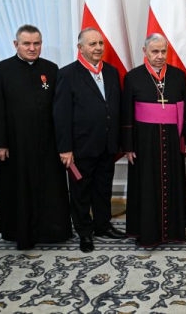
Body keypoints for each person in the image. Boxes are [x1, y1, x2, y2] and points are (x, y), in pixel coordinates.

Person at [0, 25, 72, 250]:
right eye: (27, 44)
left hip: (48, 144)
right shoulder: (0, 71)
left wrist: (64, 143)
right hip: (15, 145)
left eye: (37, 43)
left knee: (50, 187)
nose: (32, 48)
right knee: (19, 188)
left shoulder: (52, 69)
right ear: (16, 45)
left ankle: (52, 231)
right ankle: (20, 232)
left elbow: (61, 108)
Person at [53, 28, 125, 253]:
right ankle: (85, 232)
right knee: (80, 192)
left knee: (103, 188)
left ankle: (103, 226)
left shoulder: (112, 72)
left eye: (100, 44)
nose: (97, 48)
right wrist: (65, 149)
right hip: (80, 147)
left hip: (107, 144)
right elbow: (61, 114)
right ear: (80, 48)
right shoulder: (67, 74)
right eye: (92, 44)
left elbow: (115, 108)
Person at [121, 34, 186, 247]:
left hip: (172, 141)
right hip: (143, 142)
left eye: (163, 51)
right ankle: (147, 232)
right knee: (146, 185)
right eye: (155, 51)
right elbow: (126, 114)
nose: (160, 56)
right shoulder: (133, 77)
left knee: (172, 181)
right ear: (145, 52)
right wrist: (128, 145)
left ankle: (173, 231)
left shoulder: (178, 76)